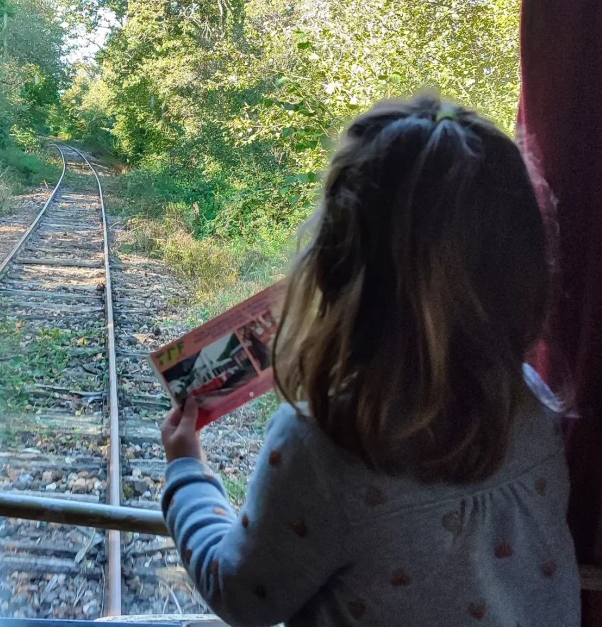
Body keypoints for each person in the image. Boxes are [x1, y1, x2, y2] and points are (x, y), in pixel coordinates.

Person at [160, 96, 580, 627]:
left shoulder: (326, 442)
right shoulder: (532, 408)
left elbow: (241, 594)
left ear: (335, 270)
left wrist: (186, 472)